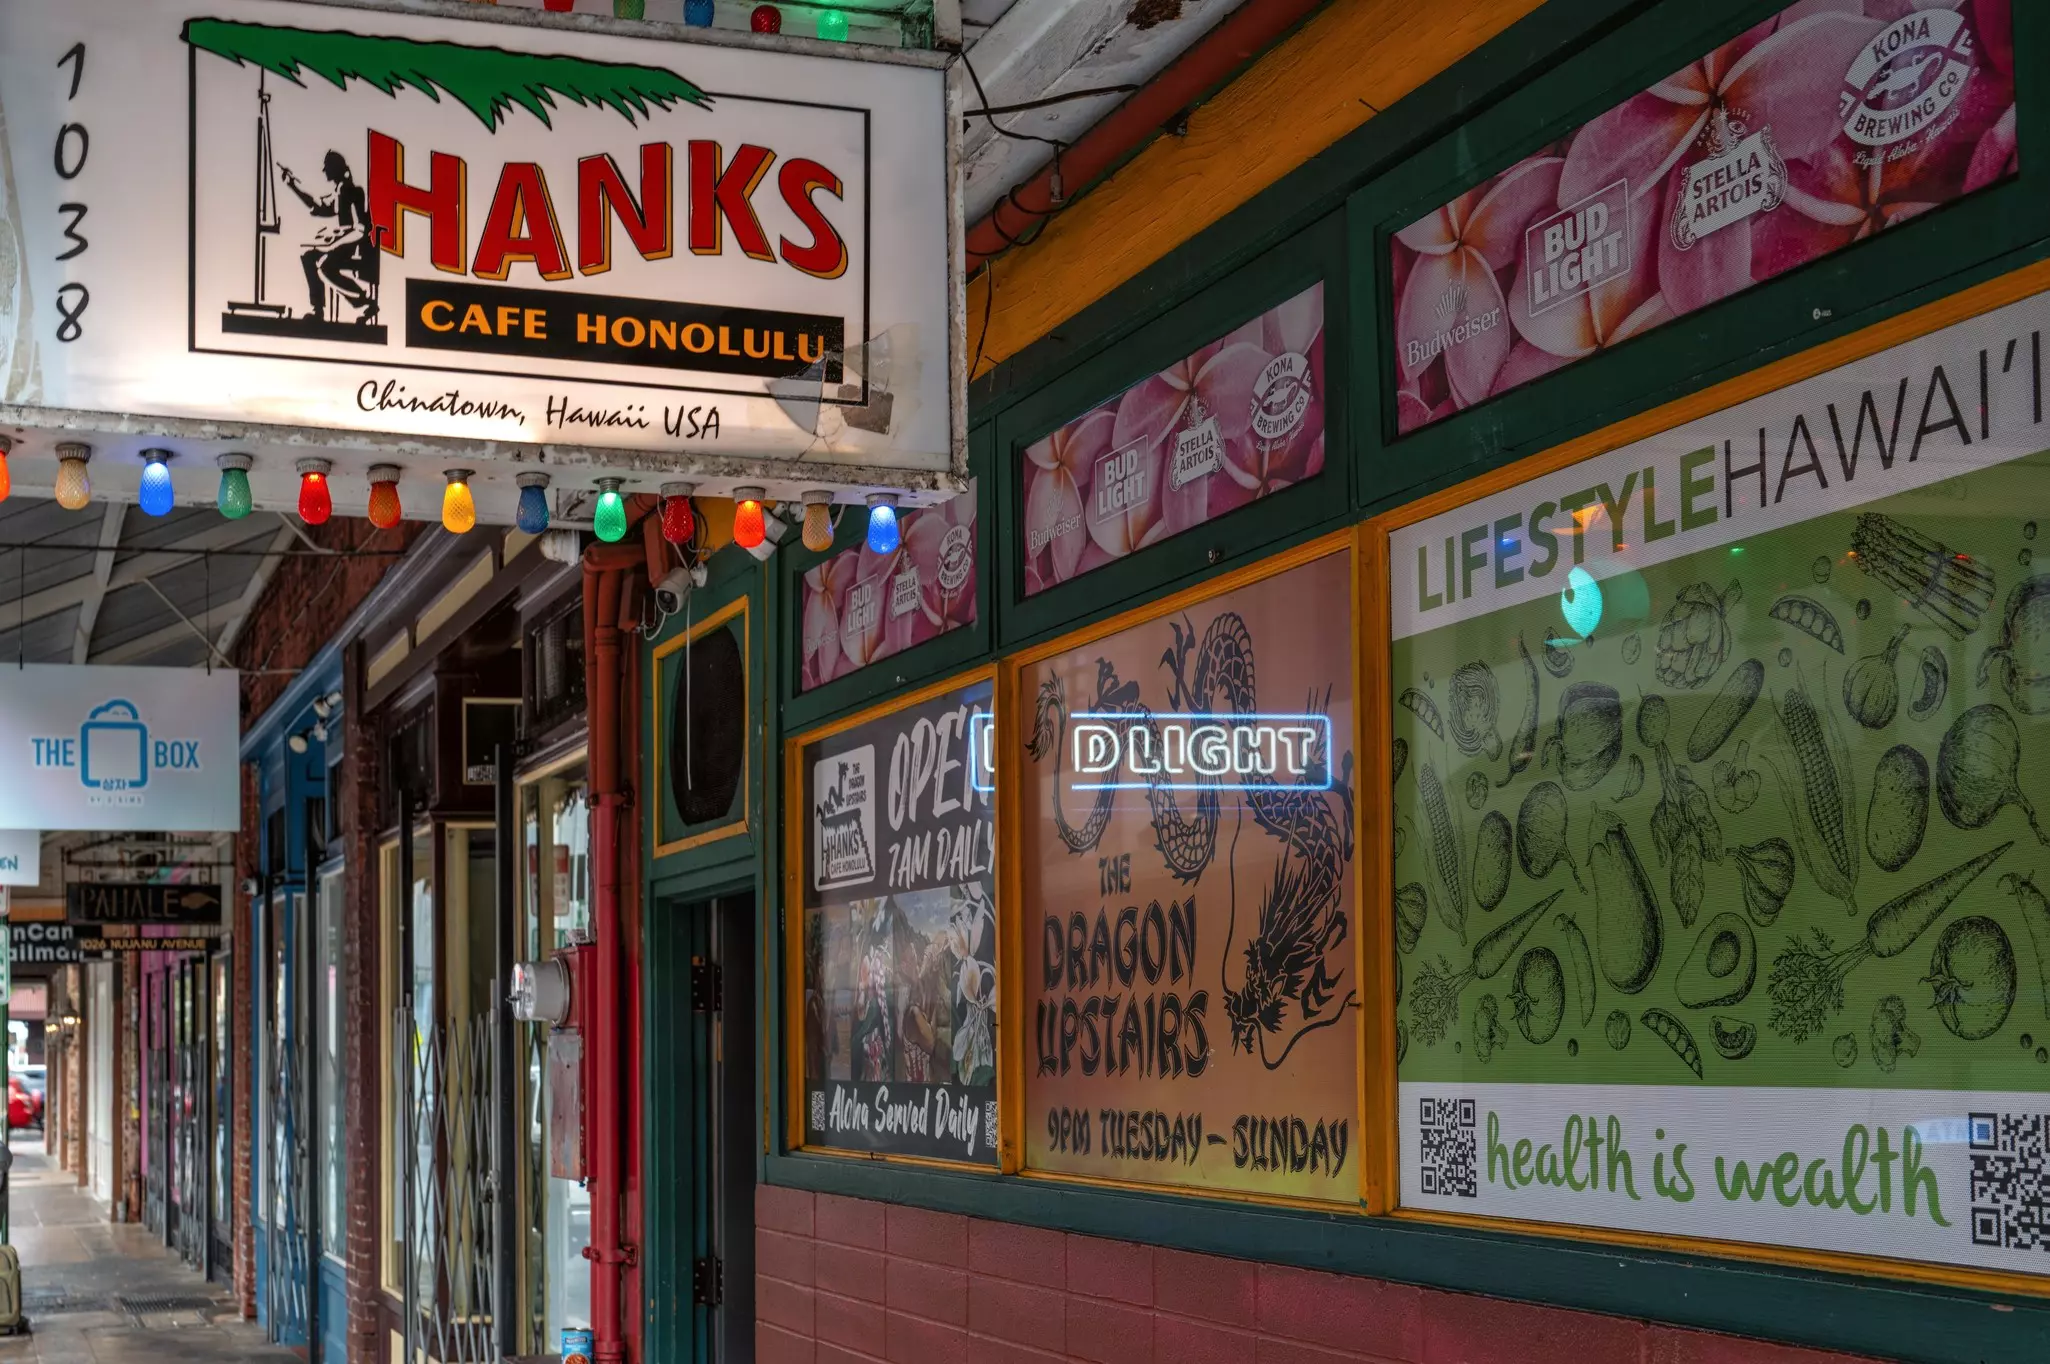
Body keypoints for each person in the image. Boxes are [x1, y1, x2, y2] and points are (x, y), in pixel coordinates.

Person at [282, 150, 375, 323]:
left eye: (327, 168)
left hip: (355, 246)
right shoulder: (339, 192)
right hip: (342, 244)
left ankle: (365, 302)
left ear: (336, 169)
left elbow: (361, 228)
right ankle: (318, 310)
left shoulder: (354, 192)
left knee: (326, 267)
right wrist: (293, 186)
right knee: (309, 257)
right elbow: (317, 207)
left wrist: (334, 243)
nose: (324, 172)